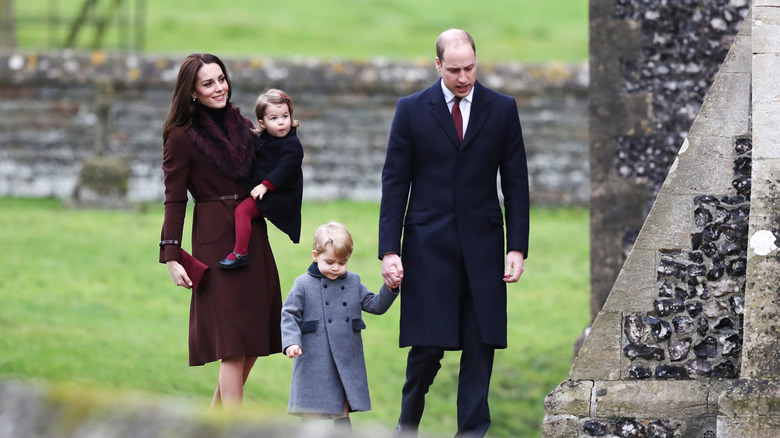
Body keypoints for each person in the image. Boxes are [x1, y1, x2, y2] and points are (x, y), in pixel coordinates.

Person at [378, 29, 530, 437]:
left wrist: (516, 247)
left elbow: (515, 183)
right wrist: (389, 250)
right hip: (428, 250)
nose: (464, 78)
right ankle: (405, 429)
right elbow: (395, 181)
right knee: (425, 351)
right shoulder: (411, 110)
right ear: (438, 65)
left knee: (480, 351)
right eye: (455, 69)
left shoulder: (502, 109)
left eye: (470, 68)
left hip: (483, 251)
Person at [159, 53, 283, 409]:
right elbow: (174, 199)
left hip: (252, 235)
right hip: (214, 242)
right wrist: (172, 255)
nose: (219, 88)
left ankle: (211, 425)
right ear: (193, 92)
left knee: (255, 337)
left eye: (221, 79)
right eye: (208, 83)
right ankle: (235, 428)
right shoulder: (181, 137)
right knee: (232, 344)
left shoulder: (244, 124)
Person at [281, 222, 399, 431]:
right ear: (315, 256)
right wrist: (291, 342)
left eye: (342, 262)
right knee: (312, 410)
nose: (336, 267)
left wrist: (390, 288)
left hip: (345, 358)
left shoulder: (353, 282)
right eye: (330, 261)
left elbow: (374, 305)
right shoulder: (303, 284)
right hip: (313, 357)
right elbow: (289, 314)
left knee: (341, 410)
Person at [219, 88, 304, 269]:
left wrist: (265, 186)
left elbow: (285, 168)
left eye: (285, 116)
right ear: (262, 123)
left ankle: (240, 253)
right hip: (263, 189)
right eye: (274, 118)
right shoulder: (262, 140)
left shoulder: (292, 145)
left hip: (280, 195)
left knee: (243, 211)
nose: (281, 122)